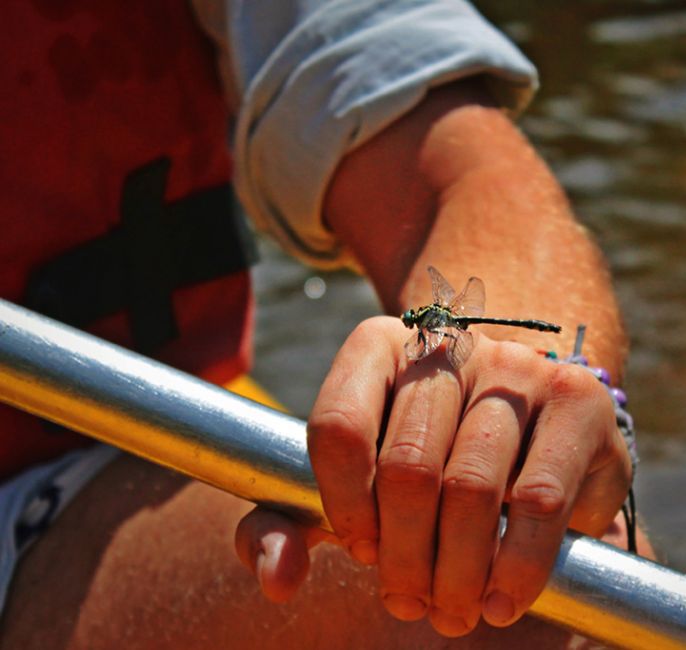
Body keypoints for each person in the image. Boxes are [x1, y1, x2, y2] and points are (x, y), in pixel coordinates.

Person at [0, 1, 649, 647]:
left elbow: (454, 173)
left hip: (118, 436)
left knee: (563, 584)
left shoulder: (441, 330)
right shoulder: (439, 332)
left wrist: (521, 415)